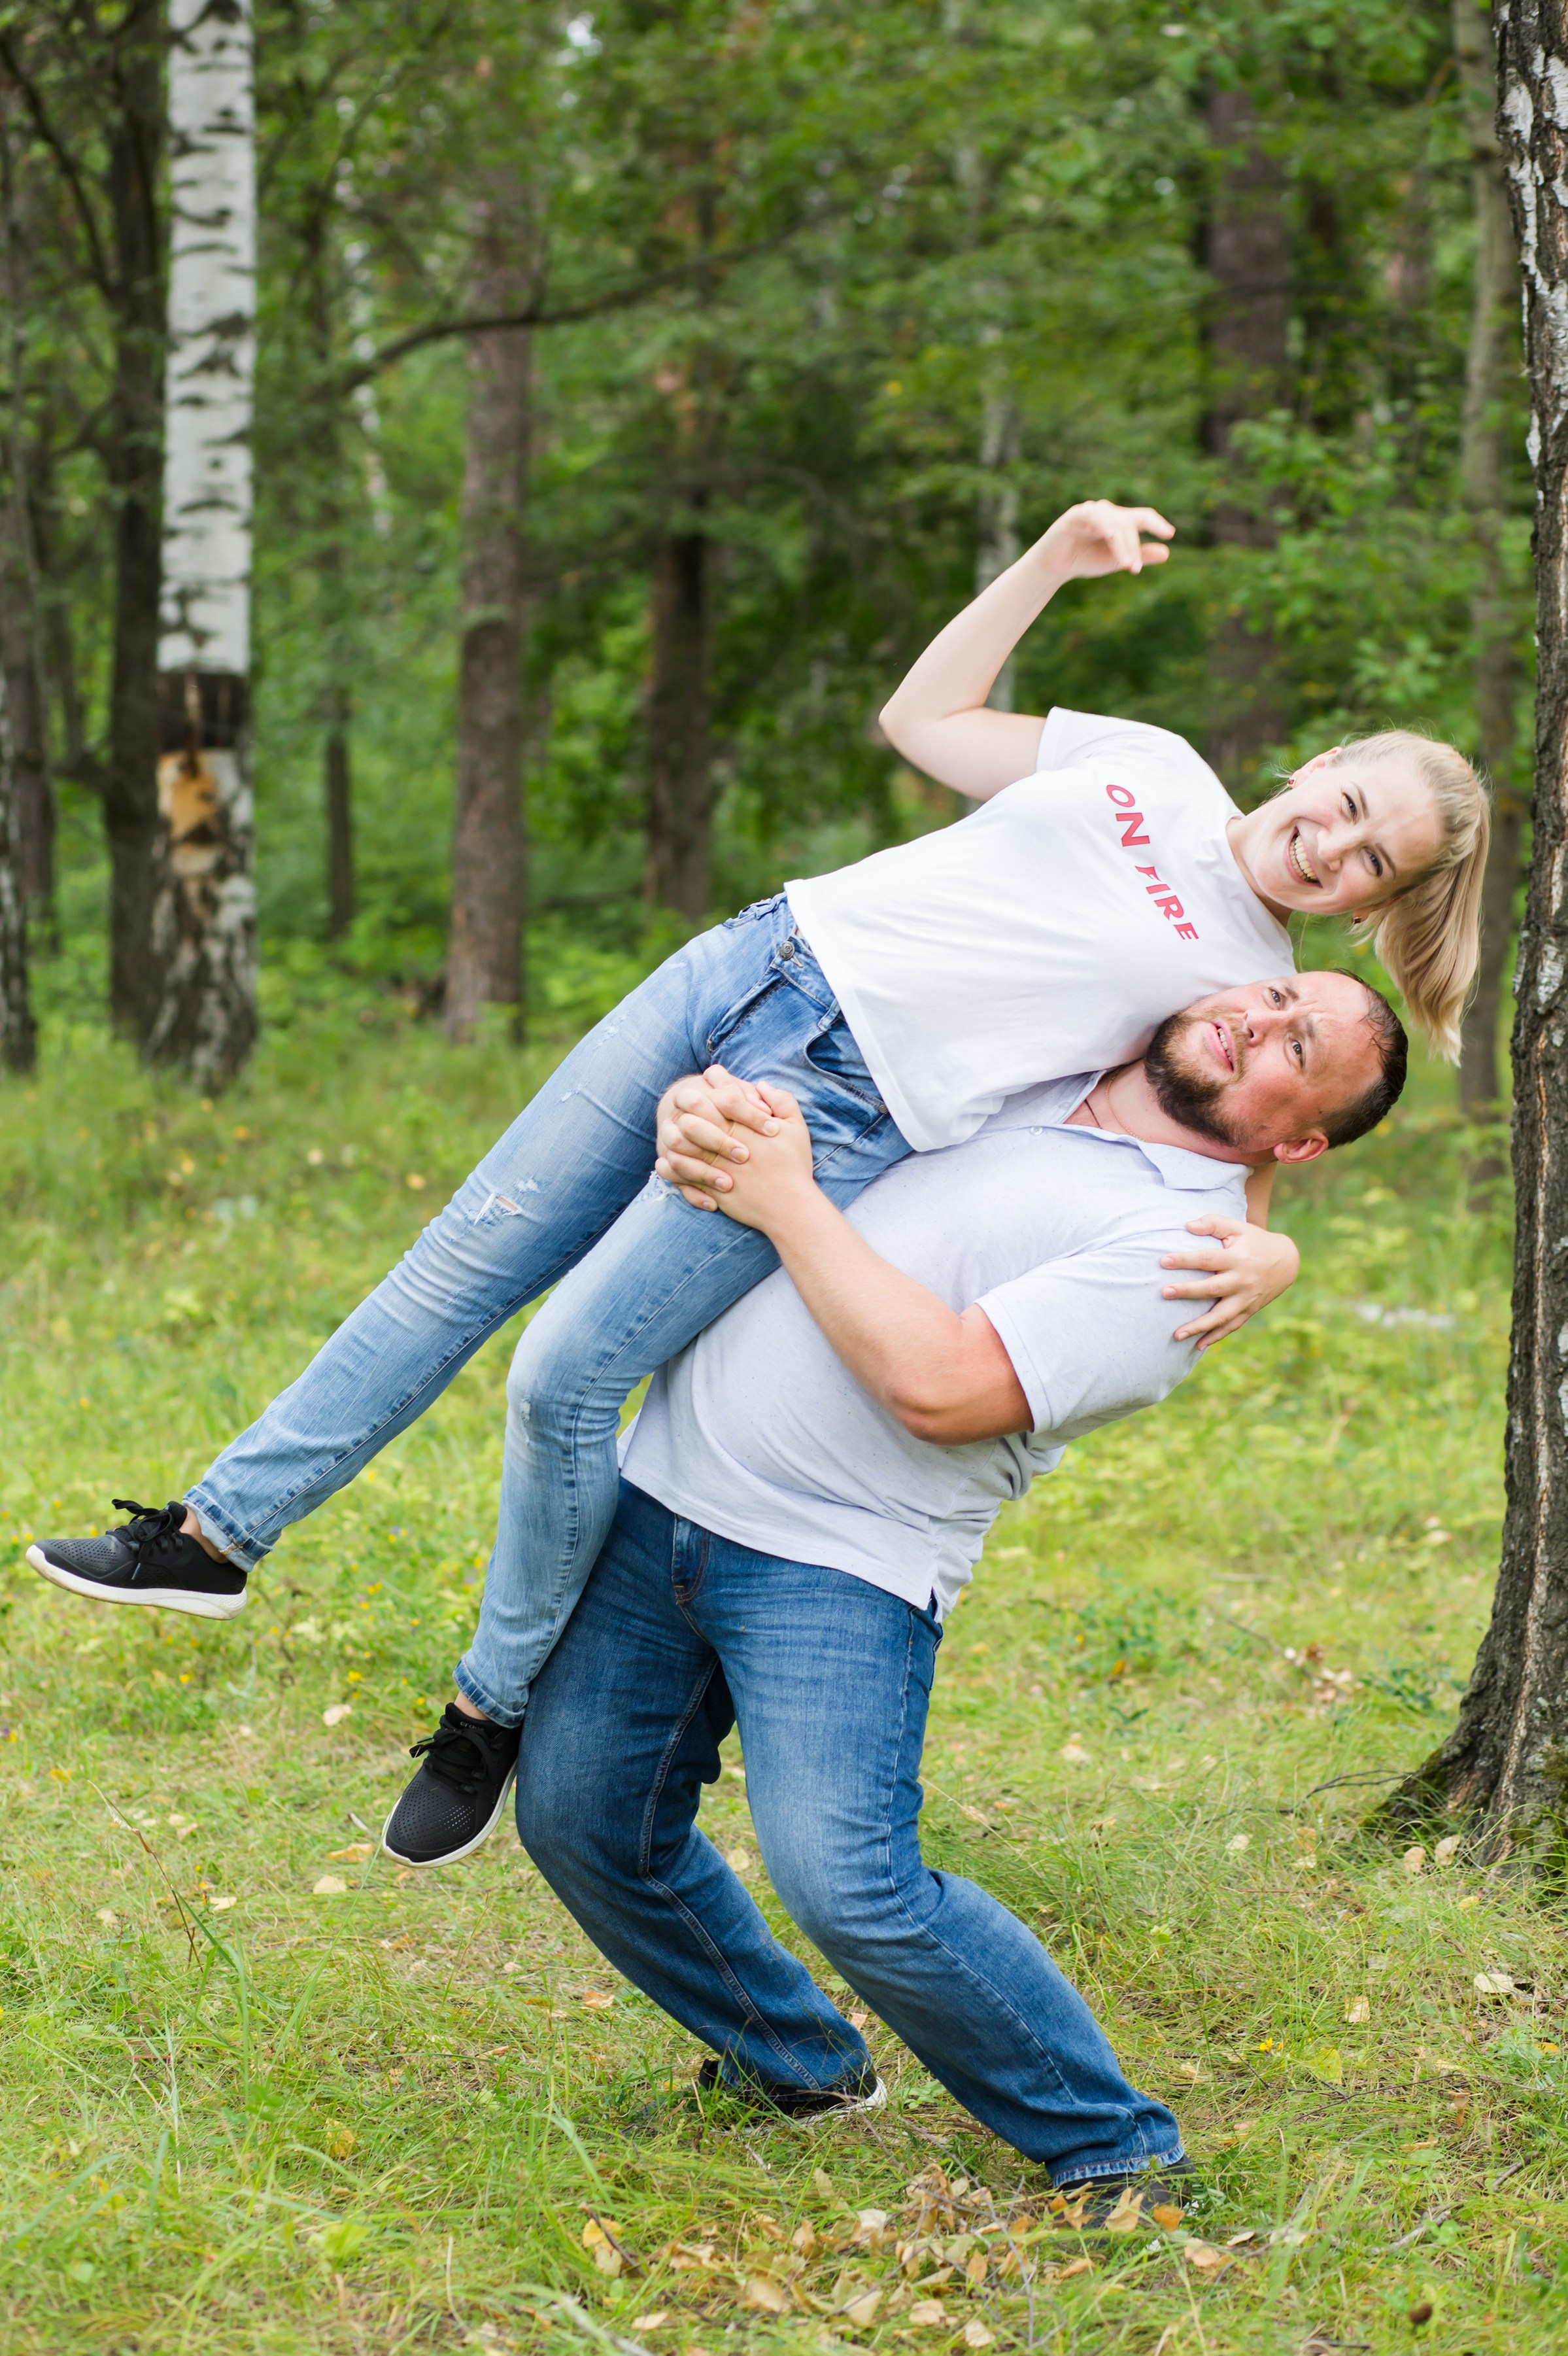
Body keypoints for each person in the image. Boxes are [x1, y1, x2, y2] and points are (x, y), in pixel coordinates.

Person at [29, 501, 1480, 1757]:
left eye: (1373, 860)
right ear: (1318, 761)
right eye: (1346, 803)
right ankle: (214, 1536)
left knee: (568, 1375)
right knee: (459, 1258)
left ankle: (496, 1704)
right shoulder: (1150, 763)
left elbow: (1243, 1134)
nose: (1336, 844)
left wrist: (1272, 1264)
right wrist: (1048, 557)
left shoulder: (1243, 977)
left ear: (1365, 905)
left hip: (823, 1105)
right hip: (747, 961)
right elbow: (920, 722)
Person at [500, 969, 1407, 2195]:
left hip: (839, 1560)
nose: (1259, 1020)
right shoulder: (1034, 1050)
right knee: (582, 1815)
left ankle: (1114, 2150)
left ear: (1297, 1141)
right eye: (1277, 991)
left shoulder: (1185, 1251)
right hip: (655, 1489)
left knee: (853, 1884)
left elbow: (943, 1388)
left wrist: (785, 1202)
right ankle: (790, 2059)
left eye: (1297, 1046)